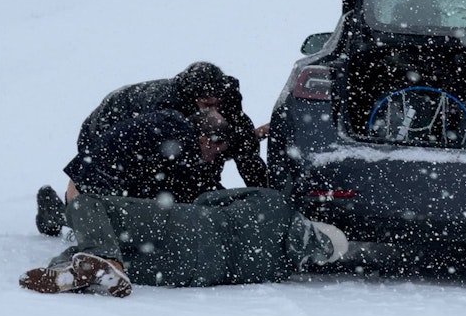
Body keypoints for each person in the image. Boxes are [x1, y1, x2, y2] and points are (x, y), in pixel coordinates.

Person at [19, 111, 347, 298]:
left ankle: (81, 263)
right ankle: (89, 268)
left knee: (90, 204)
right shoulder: (278, 270)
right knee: (111, 251)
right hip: (185, 271)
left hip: (186, 222)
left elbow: (210, 199)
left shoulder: (275, 205)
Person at [34, 61, 269, 236]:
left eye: (218, 103)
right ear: (191, 97)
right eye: (207, 104)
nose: (215, 108)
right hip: (106, 131)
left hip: (178, 144)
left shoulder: (225, 103)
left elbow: (242, 146)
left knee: (197, 185)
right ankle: (60, 215)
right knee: (117, 202)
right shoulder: (161, 111)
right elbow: (116, 156)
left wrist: (265, 195)